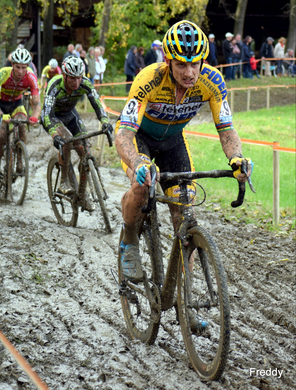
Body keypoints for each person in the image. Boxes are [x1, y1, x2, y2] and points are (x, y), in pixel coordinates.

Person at [114, 20, 252, 286]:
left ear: (203, 60)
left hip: (173, 142)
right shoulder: (149, 78)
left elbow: (227, 130)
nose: (189, 72)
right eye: (181, 65)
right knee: (142, 186)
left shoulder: (213, 81)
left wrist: (236, 159)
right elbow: (124, 133)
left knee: (184, 211)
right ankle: (129, 239)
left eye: (195, 64)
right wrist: (136, 162)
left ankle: (184, 294)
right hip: (138, 138)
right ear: (168, 61)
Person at [40, 56, 113, 211]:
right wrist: (54, 135)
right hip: (53, 117)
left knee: (85, 149)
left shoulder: (85, 83)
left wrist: (105, 121)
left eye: (79, 78)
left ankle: (83, 194)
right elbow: (46, 115)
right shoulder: (55, 85)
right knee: (66, 141)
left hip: (71, 115)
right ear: (65, 76)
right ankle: (63, 181)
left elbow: (98, 104)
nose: (76, 82)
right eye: (72, 78)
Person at [0, 48, 40, 188]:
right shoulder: (2, 74)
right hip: (0, 105)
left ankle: (20, 161)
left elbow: (36, 102)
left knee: (22, 124)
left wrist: (35, 117)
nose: (20, 71)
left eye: (24, 67)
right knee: (1, 135)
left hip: (16, 104)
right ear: (12, 65)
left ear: (28, 66)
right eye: (17, 67)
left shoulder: (31, 77)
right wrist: (0, 115)